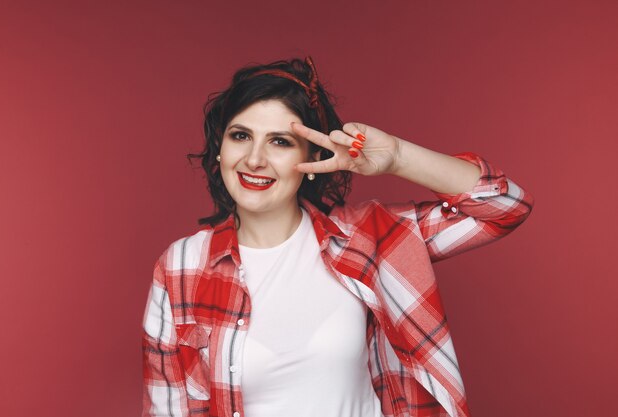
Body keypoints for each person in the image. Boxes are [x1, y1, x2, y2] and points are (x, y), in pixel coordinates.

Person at [141, 56, 534, 417]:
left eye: (280, 141)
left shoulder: (366, 238)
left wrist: (397, 156)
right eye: (241, 136)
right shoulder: (181, 268)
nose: (255, 159)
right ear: (219, 150)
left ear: (312, 159)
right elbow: (167, 409)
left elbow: (504, 207)